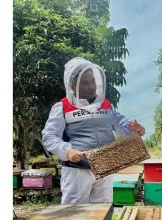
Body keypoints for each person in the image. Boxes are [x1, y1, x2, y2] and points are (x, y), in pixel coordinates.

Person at [41, 57, 145, 203]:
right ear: (72, 87)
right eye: (85, 83)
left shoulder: (105, 105)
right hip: (77, 170)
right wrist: (67, 151)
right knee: (75, 212)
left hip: (104, 165)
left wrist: (131, 127)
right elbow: (49, 136)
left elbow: (120, 123)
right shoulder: (62, 107)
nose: (91, 87)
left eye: (92, 81)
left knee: (103, 210)